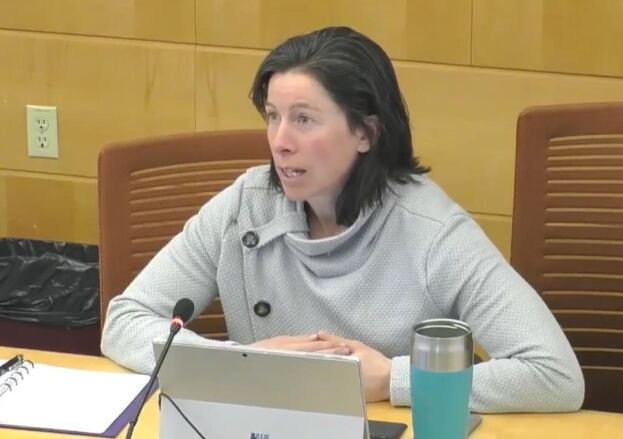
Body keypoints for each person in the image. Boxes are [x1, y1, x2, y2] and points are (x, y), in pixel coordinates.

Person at [101, 26, 584, 413]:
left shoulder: (431, 231)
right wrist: (249, 362)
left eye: (304, 120)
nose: (279, 141)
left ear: (366, 132)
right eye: (273, 116)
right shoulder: (244, 204)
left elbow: (553, 374)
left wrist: (395, 379)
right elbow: (123, 322)